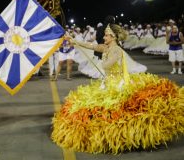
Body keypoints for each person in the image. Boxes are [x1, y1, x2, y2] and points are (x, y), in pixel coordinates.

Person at [51, 24, 184, 154]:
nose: (104, 38)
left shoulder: (117, 50)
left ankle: (125, 138)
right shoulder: (106, 47)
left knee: (117, 112)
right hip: (107, 82)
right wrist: (73, 41)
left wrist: (103, 62)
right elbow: (90, 46)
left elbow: (108, 64)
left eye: (106, 35)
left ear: (113, 37)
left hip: (117, 85)